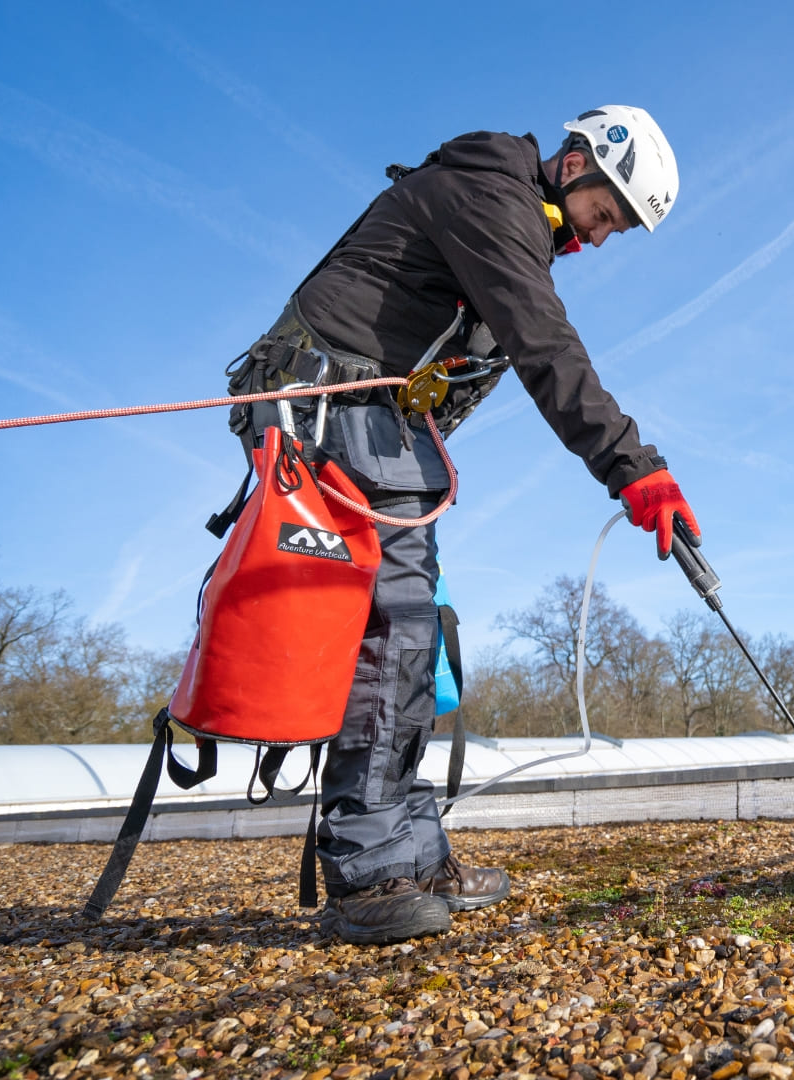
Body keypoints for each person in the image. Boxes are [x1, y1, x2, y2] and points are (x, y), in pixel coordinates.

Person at [223, 106, 699, 945]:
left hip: (384, 427)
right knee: (389, 633)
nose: (603, 237)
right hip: (328, 404)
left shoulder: (517, 216)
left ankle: (411, 847)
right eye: (607, 214)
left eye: (617, 228)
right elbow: (547, 345)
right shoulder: (492, 197)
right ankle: (368, 871)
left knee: (418, 632)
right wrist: (637, 469)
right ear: (579, 162)